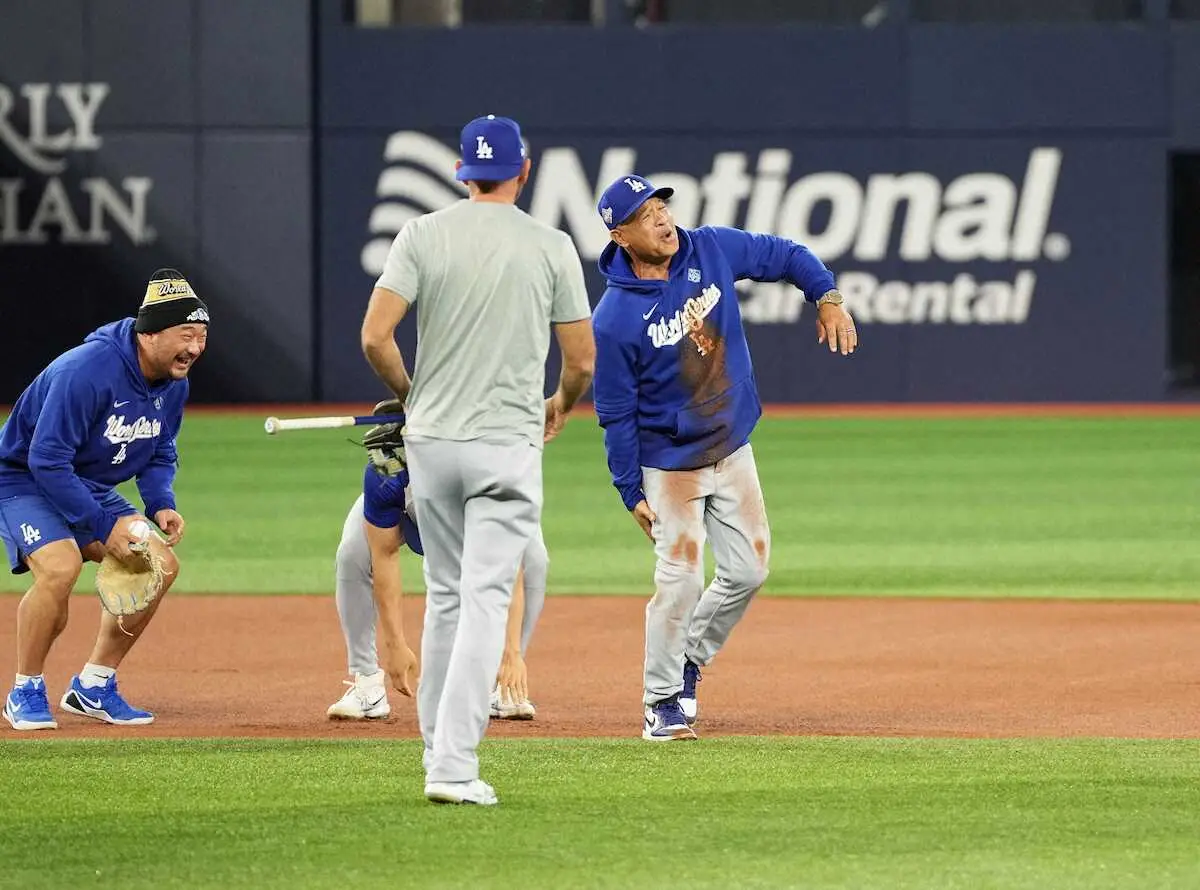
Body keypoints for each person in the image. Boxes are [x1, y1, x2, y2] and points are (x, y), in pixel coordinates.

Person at [360, 114, 595, 805]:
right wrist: (561, 402)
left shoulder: (421, 233)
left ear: (463, 173)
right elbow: (582, 360)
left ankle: (436, 748)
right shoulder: (550, 244)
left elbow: (375, 337)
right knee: (487, 599)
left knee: (446, 596)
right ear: (523, 171)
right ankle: (454, 768)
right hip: (504, 444)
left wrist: (412, 394)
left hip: (432, 443)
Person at [590, 175, 857, 741]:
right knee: (681, 581)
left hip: (731, 447)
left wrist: (827, 296)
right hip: (670, 466)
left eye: (661, 206)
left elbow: (786, 254)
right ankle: (660, 701)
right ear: (620, 236)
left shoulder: (709, 248)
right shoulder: (613, 319)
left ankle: (689, 658)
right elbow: (614, 411)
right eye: (644, 215)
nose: (661, 219)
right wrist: (629, 488)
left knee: (748, 571)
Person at [0, 268, 208, 731]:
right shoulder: (85, 372)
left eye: (202, 336)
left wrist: (159, 502)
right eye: (186, 334)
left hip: (83, 484)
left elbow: (160, 448)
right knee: (60, 567)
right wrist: (101, 524)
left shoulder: (174, 383)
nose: (195, 347)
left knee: (160, 565)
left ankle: (94, 685)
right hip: (24, 479)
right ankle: (25, 690)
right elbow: (45, 460)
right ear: (149, 333)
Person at [326, 402, 548, 722]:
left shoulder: (481, 470)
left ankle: (505, 684)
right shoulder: (388, 468)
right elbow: (384, 554)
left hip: (471, 504)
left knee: (534, 559)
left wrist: (510, 650)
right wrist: (395, 645)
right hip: (408, 504)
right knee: (351, 554)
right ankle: (367, 684)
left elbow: (507, 568)